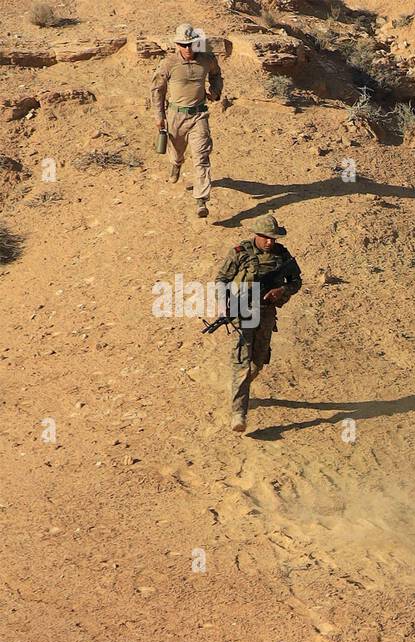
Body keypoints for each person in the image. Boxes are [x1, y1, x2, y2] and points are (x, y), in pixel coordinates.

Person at [214, 214, 302, 434]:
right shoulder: (240, 253)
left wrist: (282, 290)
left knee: (258, 362)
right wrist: (223, 302)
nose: (270, 242)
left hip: (266, 314)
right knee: (242, 363)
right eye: (265, 237)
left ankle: (239, 386)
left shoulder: (282, 256)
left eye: (273, 238)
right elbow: (221, 280)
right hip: (243, 312)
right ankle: (239, 413)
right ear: (256, 235)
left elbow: (296, 281)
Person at [151, 24, 223, 218]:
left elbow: (216, 74)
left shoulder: (207, 60)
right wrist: (159, 116)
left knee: (201, 156)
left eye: (191, 44)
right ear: (177, 44)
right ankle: (176, 164)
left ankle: (201, 199)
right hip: (176, 116)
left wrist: (215, 91)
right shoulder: (168, 64)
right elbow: (157, 90)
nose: (188, 49)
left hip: (199, 115)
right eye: (184, 45)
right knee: (176, 153)